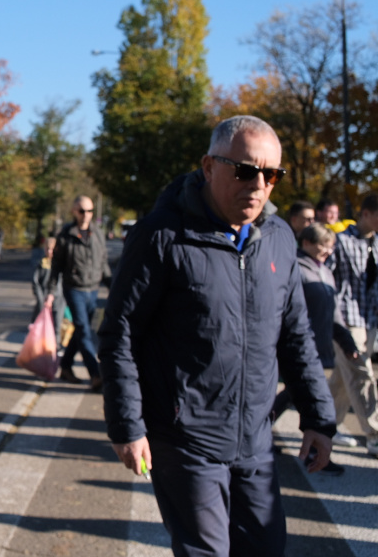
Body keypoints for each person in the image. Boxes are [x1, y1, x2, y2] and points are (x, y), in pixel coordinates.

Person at [99, 115, 336, 556]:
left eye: (272, 174)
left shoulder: (280, 238)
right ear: (208, 167)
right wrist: (127, 426)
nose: (259, 184)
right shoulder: (161, 237)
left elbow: (296, 334)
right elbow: (120, 336)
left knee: (265, 548)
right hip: (186, 438)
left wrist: (318, 418)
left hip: (255, 440)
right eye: (245, 170)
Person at [272, 223, 359, 472]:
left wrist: (347, 342)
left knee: (300, 396)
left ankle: (314, 450)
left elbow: (334, 314)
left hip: (320, 349)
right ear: (306, 243)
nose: (327, 251)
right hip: (298, 348)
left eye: (330, 246)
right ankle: (315, 452)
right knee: (305, 397)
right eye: (322, 244)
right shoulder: (295, 269)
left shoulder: (325, 272)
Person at [44, 195, 111, 391]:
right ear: (74, 211)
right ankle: (96, 374)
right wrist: (50, 291)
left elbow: (103, 263)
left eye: (89, 211)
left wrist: (113, 286)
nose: (86, 215)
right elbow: (56, 266)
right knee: (84, 330)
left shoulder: (97, 233)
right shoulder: (66, 234)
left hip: (93, 290)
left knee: (80, 331)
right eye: (82, 211)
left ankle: (65, 367)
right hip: (74, 289)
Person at [330, 193, 378, 458]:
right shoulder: (341, 241)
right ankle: (375, 434)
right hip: (347, 317)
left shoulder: (377, 243)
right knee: (362, 374)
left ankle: (326, 423)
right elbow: (326, 276)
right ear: (366, 214)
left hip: (370, 317)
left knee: (343, 377)